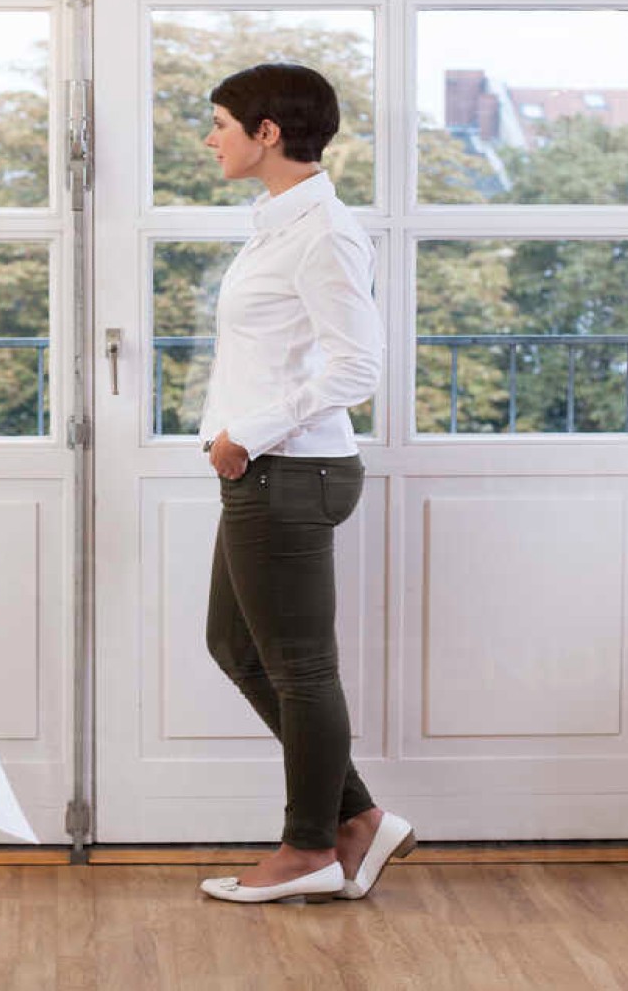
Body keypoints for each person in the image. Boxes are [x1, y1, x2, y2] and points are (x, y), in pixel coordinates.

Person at [193, 63, 415, 904]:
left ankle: (311, 848)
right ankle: (356, 819)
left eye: (220, 122)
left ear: (268, 133)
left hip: (292, 469)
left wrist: (245, 433)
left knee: (299, 670)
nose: (211, 138)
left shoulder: (324, 230)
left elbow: (358, 364)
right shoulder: (279, 222)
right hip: (269, 468)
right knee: (237, 648)